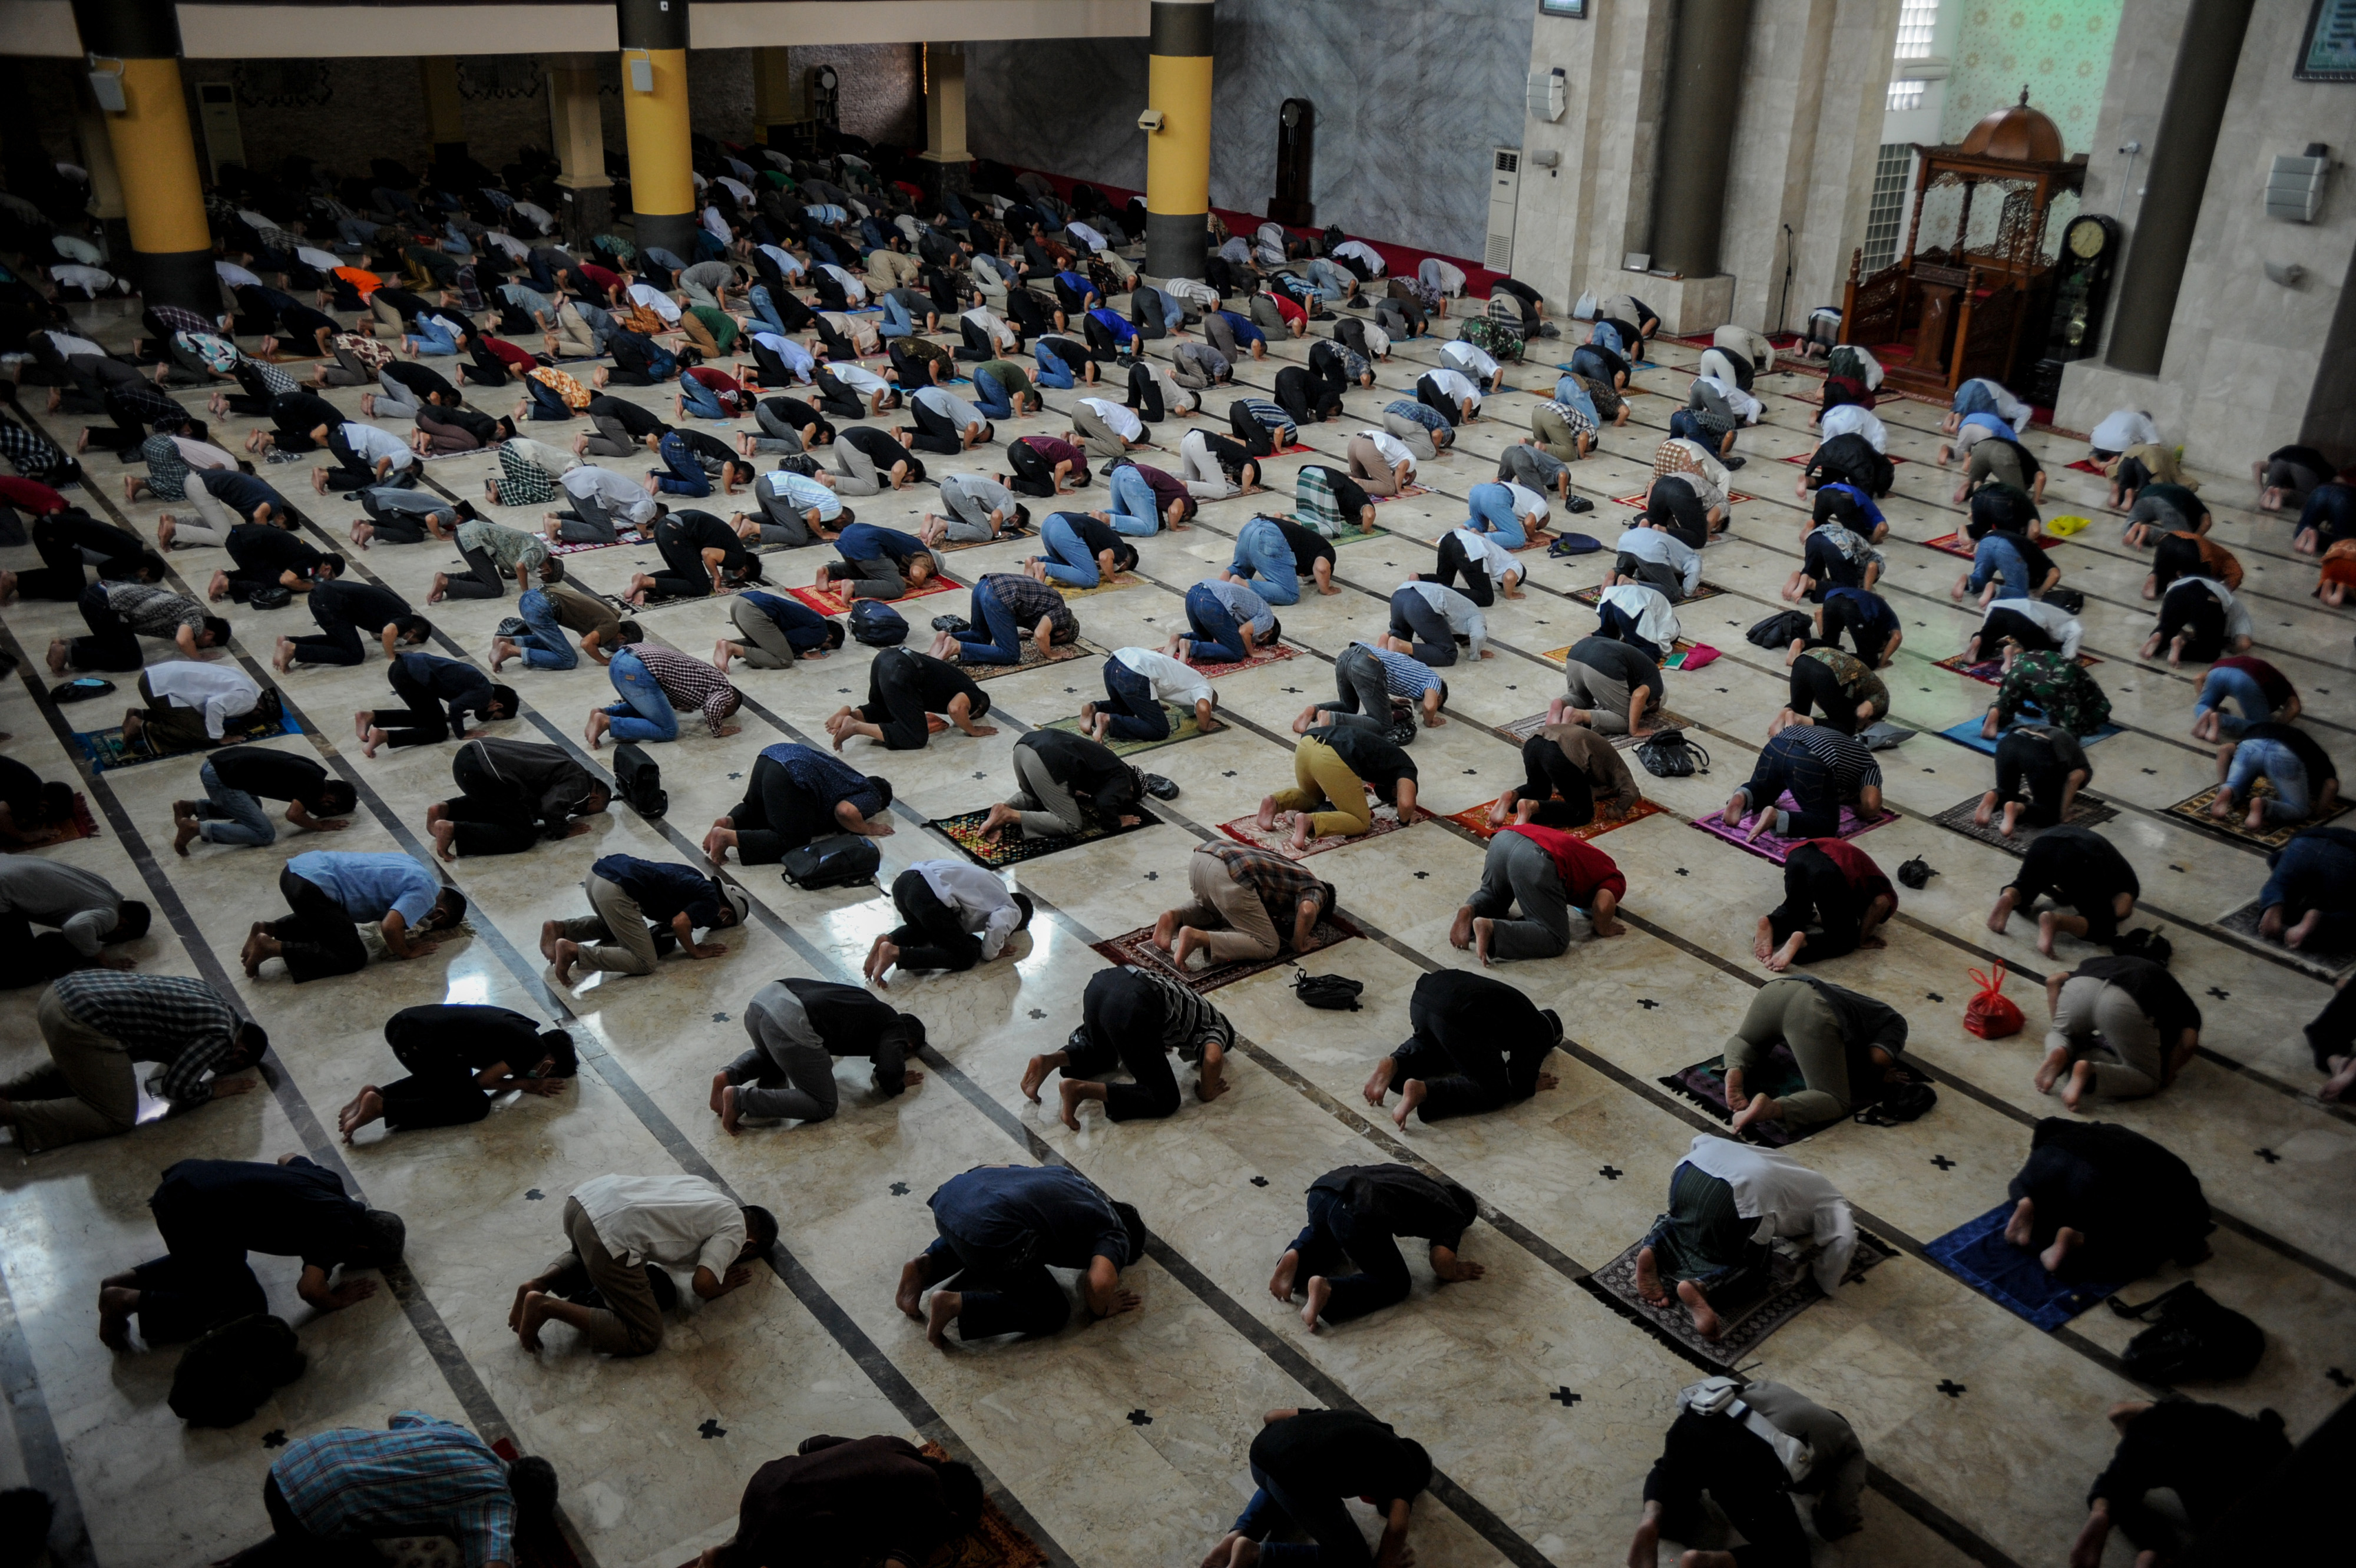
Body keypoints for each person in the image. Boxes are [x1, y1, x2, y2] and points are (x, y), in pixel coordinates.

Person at [97, 1155, 406, 1344]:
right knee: (246, 1305)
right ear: (362, 1247)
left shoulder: (329, 1182)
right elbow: (310, 1289)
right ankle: (126, 1299)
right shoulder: (339, 1232)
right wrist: (336, 1300)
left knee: (216, 1259)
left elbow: (288, 1157)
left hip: (190, 1178)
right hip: (188, 1212)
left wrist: (274, 1195)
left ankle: (123, 1279)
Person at [242, 1411, 560, 1567]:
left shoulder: (461, 1435)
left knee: (308, 1523)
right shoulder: (497, 1504)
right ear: (523, 1509)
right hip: (307, 1515)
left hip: (291, 1464)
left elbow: (398, 1416)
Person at [509, 1173, 775, 1356]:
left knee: (585, 1254)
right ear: (749, 1246)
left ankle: (539, 1283)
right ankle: (545, 1306)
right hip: (610, 1235)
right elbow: (702, 1284)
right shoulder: (736, 1230)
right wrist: (722, 1284)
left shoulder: (706, 1188)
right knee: (645, 1335)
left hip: (583, 1201)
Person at [0, 972, 264, 1155]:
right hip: (78, 1020)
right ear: (239, 1053)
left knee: (88, 1068)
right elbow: (176, 1087)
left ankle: (10, 1091)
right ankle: (9, 1113)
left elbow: (168, 1037)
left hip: (61, 993)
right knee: (116, 1115)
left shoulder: (212, 995)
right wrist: (212, 1090)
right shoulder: (222, 1036)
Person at [896, 1163, 1147, 1347]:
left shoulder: (1070, 1179)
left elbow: (996, 1167)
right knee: (1054, 1311)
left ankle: (927, 1264)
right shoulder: (1116, 1232)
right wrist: (1103, 1308)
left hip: (953, 1197)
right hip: (987, 1233)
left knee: (982, 1228)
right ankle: (955, 1305)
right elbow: (1099, 1283)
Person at [1628, 1376, 1867, 1568]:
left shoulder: (1777, 1389)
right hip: (1746, 1463)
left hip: (1699, 1421)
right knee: (1792, 1556)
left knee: (1672, 1473)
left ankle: (1652, 1517)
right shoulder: (1849, 1443)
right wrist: (1832, 1521)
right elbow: (1838, 1517)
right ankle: (1708, 1562)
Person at [693, 1435, 984, 1568]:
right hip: (789, 1526)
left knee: (766, 1531)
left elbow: (812, 1444)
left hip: (765, 1482)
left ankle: (726, 1552)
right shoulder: (934, 1505)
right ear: (954, 1517)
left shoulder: (899, 1446)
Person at [2070, 1398, 2291, 1568]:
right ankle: (2138, 1413)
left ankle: (2140, 1413)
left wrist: (2102, 1513)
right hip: (2194, 1443)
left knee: (2131, 1426)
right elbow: (2117, 1482)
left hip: (2193, 1439)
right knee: (2129, 1425)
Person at [1202, 1408, 1429, 1568]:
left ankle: (1236, 1535)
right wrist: (1384, 1563)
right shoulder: (1406, 1470)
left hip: (1260, 1456)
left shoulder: (1356, 1418)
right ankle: (1254, 1554)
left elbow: (1271, 1416)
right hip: (1294, 1482)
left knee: (1282, 1475)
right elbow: (1398, 1526)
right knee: (1356, 1560)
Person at [1268, 1163, 1480, 1331]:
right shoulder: (1454, 1213)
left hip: (1324, 1189)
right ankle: (1328, 1291)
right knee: (1396, 1282)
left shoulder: (1416, 1179)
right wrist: (1453, 1271)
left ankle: (1298, 1253)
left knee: (1326, 1232)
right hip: (1354, 1213)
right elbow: (1441, 1260)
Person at [1024, 964, 1238, 1129]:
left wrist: (1152, 1039)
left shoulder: (1195, 1007)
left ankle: (1049, 1060)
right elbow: (1213, 1058)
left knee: (1104, 1052)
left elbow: (1165, 1012)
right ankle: (1080, 1090)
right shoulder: (1217, 1026)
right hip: (1132, 1003)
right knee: (1166, 1098)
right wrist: (1207, 1091)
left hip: (1104, 983)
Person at [2004, 1117, 2212, 1283]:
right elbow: (2191, 1222)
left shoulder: (2102, 1129)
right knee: (2145, 1242)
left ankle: (2024, 1200)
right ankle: (2077, 1239)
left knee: (2038, 1189)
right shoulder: (2183, 1179)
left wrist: (2039, 1158)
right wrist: (2195, 1250)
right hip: (2099, 1180)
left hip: (2053, 1154)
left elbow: (2045, 1125)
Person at [712, 978, 928, 1132]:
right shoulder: (895, 1027)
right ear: (908, 1044)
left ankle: (729, 1075)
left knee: (773, 1057)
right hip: (791, 1020)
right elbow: (889, 1071)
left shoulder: (869, 1004)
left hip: (764, 1001)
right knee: (823, 1104)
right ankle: (740, 1100)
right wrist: (898, 1081)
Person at [1361, 969, 1564, 1130]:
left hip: (1425, 996)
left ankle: (1396, 1063)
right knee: (1494, 1089)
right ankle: (1423, 1091)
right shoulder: (1537, 1031)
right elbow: (1520, 1080)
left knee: (1440, 1046)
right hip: (1457, 1014)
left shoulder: (1520, 1005)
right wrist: (1530, 1085)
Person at [337, 1005, 577, 1139]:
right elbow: (482, 1081)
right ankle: (382, 1107)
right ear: (549, 1063)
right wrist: (526, 1084)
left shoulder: (525, 1029)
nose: (541, 1077)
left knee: (456, 1079)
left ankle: (379, 1093)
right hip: (414, 1042)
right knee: (474, 1105)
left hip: (407, 1025)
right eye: (547, 1074)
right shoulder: (531, 1049)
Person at [1722, 976, 1910, 1136]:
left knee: (1747, 1041)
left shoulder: (1860, 1004)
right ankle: (1774, 1108)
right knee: (1835, 1099)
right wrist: (1879, 1075)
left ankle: (1735, 1068)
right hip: (1813, 1011)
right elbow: (1879, 1059)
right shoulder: (1896, 1023)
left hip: (1779, 989)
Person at [243, 849, 466, 983]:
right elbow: (390, 927)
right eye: (434, 924)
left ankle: (269, 928)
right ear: (439, 913)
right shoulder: (426, 896)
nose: (422, 924)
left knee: (334, 924)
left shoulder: (416, 867)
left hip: (299, 870)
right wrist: (406, 952)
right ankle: (271, 947)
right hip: (313, 889)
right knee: (352, 957)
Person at [541, 853, 749, 983]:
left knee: (613, 927)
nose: (720, 924)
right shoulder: (711, 901)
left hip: (598, 874)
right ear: (726, 912)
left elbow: (665, 900)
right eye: (727, 923)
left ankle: (561, 929)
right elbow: (681, 923)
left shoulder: (693, 876)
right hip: (616, 889)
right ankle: (573, 952)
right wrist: (695, 951)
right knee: (645, 962)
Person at [2037, 954, 2201, 1108]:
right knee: (2149, 1079)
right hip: (2125, 1005)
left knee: (2061, 1034)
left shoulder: (2106, 962)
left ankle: (2060, 1050)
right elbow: (2189, 1042)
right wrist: (2167, 1075)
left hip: (2084, 985)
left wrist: (2064, 1029)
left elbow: (2053, 981)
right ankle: (2089, 1071)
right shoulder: (2180, 1000)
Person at [1452, 820, 1626, 963]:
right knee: (1555, 938)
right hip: (1537, 859)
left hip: (1504, 840)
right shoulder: (1615, 877)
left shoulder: (1595, 859)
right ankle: (1493, 930)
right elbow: (1603, 904)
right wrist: (1603, 928)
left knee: (1493, 896)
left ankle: (1472, 909)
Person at [1153, 841, 1335, 971]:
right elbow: (1307, 910)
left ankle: (1174, 917)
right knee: (1269, 946)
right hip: (1231, 874)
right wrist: (1298, 942)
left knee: (1213, 909)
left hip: (1203, 856)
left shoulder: (1295, 871)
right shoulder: (1318, 889)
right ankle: (1197, 938)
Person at [427, 737, 609, 859]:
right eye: (597, 809)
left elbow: (531, 796)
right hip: (484, 773)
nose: (590, 813)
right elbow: (551, 808)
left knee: (504, 808)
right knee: (522, 835)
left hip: (471, 757)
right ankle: (453, 830)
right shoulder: (581, 786)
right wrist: (563, 830)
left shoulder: (565, 759)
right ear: (593, 798)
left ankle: (446, 809)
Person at [864, 861, 1034, 984]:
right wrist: (992, 953)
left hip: (905, 882)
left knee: (924, 930)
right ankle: (895, 952)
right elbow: (998, 925)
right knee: (965, 956)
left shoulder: (994, 889)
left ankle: (890, 940)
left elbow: (953, 925)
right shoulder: (1013, 910)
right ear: (1018, 924)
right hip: (927, 895)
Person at [1259, 722, 1419, 852]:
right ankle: (1310, 821)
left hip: (1307, 744)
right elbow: (1406, 804)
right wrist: (1404, 819)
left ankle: (1274, 803)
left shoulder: (1385, 754)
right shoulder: (1406, 767)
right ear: (1395, 789)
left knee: (1312, 798)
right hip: (1332, 757)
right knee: (1361, 821)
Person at [171, 743, 356, 854]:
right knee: (265, 834)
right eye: (328, 812)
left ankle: (192, 808)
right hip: (221, 777)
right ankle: (195, 828)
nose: (321, 814)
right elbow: (293, 815)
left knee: (254, 804)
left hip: (220, 762)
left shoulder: (314, 772)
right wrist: (320, 826)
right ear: (329, 801)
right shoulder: (315, 786)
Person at [1989, 823, 2140, 956]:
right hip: (2081, 855)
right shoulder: (2131, 886)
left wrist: (2061, 895)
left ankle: (2009, 897)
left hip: (2046, 841)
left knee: (2024, 887)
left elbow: (2047, 880)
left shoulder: (2114, 866)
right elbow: (2122, 910)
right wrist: (2103, 912)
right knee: (2104, 927)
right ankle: (2057, 921)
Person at [976, 729, 1148, 843]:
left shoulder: (1110, 763)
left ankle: (1004, 807)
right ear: (1131, 789)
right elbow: (1105, 802)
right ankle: (1009, 815)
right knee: (1071, 823)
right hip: (1046, 759)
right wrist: (1116, 822)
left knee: (1037, 797)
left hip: (1024, 747)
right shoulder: (1123, 779)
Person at [1720, 725, 1884, 843]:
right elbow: (1871, 805)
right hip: (1810, 758)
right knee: (1827, 824)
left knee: (1764, 792)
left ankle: (1742, 796)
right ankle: (1777, 819)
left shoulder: (1841, 741)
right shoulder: (1869, 764)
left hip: (1778, 744)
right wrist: (1858, 810)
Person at [0, 861, 151, 985]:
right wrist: (105, 961)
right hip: (3, 891)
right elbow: (75, 928)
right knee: (28, 973)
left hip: (6, 864)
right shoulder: (110, 916)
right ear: (124, 925)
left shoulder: (105, 888)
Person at [1756, 839, 1896, 971]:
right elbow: (1880, 903)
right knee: (1844, 939)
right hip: (1827, 870)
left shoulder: (1866, 875)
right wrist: (1863, 939)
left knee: (1798, 909)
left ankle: (1772, 924)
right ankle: (1804, 942)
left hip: (1797, 855)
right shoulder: (1887, 892)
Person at [1488, 721, 1643, 831]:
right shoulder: (1619, 768)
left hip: (1534, 742)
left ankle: (1512, 796)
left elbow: (1559, 786)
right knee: (1583, 812)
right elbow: (1631, 792)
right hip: (1560, 752)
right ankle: (1531, 807)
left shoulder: (1601, 756)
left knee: (1539, 789)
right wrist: (1616, 811)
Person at [47, 580, 231, 673]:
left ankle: (68, 643)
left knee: (118, 642)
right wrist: (199, 658)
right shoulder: (196, 619)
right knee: (131, 660)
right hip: (105, 604)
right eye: (208, 645)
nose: (202, 645)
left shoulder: (188, 607)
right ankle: (67, 653)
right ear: (209, 634)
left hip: (95, 593)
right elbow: (183, 641)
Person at [588, 639, 743, 747]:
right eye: (725, 713)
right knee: (668, 730)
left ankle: (603, 712)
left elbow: (677, 687)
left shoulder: (709, 680)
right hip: (637, 668)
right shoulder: (726, 691)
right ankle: (607, 722)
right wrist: (718, 729)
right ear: (730, 702)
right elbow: (713, 706)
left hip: (622, 658)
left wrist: (681, 704)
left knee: (652, 710)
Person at [356, 651, 515, 755]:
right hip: (411, 676)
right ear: (497, 706)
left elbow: (451, 692)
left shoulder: (481, 685)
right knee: (439, 731)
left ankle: (371, 717)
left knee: (430, 718)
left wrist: (449, 716)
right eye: (496, 717)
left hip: (402, 668)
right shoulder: (485, 694)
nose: (490, 718)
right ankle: (384, 736)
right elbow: (455, 706)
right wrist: (462, 733)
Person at [2213, 720, 2339, 834]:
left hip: (2251, 744)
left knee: (2236, 785)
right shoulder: (2319, 758)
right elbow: (2331, 785)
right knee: (2300, 809)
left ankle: (2228, 790)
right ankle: (2263, 806)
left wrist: (2223, 783)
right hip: (2285, 754)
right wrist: (2318, 813)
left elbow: (2224, 750)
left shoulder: (2260, 728)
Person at [931, 571, 1078, 667]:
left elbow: (1024, 605)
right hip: (997, 596)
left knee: (981, 636)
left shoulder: (1051, 602)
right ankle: (957, 647)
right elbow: (1041, 634)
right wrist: (1051, 654)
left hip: (983, 586)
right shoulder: (1062, 614)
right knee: (1010, 654)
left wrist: (1011, 635)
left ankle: (947, 637)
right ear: (1062, 632)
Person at [276, 577, 425, 670]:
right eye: (411, 642)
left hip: (322, 596)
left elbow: (374, 616)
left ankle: (290, 641)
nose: (405, 642)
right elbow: (388, 632)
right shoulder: (406, 620)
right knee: (355, 655)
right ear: (412, 632)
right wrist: (391, 655)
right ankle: (294, 650)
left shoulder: (399, 609)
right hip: (331, 602)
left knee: (340, 641)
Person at [495, 579, 639, 672]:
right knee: (568, 659)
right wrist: (604, 660)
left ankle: (512, 641)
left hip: (533, 596)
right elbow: (586, 643)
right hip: (542, 607)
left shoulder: (611, 614)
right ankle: (511, 650)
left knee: (557, 645)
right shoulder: (612, 626)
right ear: (621, 638)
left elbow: (582, 627)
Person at [1977, 723, 2093, 836]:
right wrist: (2062, 815)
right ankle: (2017, 808)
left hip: (2010, 741)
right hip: (2041, 749)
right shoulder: (2084, 768)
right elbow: (2072, 780)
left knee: (2007, 790)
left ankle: (1995, 796)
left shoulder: (2061, 738)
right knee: (2049, 813)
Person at [2256, 824, 2356, 951]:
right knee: (2349, 908)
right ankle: (2319, 919)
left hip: (2304, 843)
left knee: (2280, 883)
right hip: (2346, 858)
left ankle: (2275, 903)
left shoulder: (2321, 832)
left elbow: (2274, 860)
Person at [1983, 649, 2113, 739]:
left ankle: (1997, 712)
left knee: (2008, 701)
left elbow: (2015, 688)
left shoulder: (2023, 658)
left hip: (2021, 670)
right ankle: (2042, 738)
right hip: (2055, 678)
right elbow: (2099, 712)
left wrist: (2019, 707)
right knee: (2071, 732)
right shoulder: (2100, 703)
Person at [1553, 633, 1663, 737]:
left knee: (1580, 696)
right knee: (1625, 721)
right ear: (1656, 700)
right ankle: (1577, 715)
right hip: (1603, 664)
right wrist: (1634, 730)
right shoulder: (1657, 685)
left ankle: (1562, 703)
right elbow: (1639, 696)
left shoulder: (1643, 668)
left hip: (1576, 653)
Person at [810, 520, 940, 603]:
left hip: (849, 534)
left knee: (868, 571)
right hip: (867, 545)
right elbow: (917, 573)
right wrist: (923, 583)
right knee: (897, 587)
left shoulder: (912, 544)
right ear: (933, 566)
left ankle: (828, 571)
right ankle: (853, 586)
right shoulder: (927, 556)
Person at [2142, 574, 2254, 666]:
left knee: (2167, 628)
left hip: (2175, 591)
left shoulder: (2215, 587)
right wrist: (2230, 648)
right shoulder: (2236, 607)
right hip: (2208, 598)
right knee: (2210, 653)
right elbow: (2244, 643)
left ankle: (2159, 637)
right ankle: (2182, 647)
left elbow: (2161, 616)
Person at [2190, 653, 2299, 741]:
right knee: (2261, 728)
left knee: (2203, 704)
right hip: (2246, 679)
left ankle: (2206, 714)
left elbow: (2198, 678)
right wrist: (2276, 726)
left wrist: (2208, 701)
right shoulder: (2283, 685)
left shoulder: (2265, 670)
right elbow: (2295, 708)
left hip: (2217, 671)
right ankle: (2221, 720)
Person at [1960, 594, 2081, 668]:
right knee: (2048, 653)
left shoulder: (2043, 606)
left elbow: (1993, 607)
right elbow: (2076, 635)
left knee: (1986, 638)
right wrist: (2067, 657)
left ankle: (1979, 639)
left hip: (1998, 609)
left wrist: (1988, 636)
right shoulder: (2071, 622)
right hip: (2027, 620)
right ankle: (2016, 651)